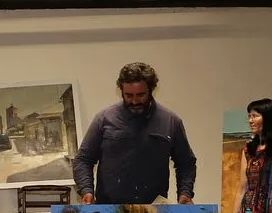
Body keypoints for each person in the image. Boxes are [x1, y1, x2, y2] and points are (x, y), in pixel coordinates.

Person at [72, 62, 197, 204]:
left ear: (151, 90)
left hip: (154, 211)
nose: (135, 101)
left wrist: (185, 192)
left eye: (141, 95)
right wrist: (86, 190)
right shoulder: (104, 119)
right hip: (109, 208)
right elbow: (83, 160)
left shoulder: (171, 121)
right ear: (121, 91)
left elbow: (186, 163)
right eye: (128, 95)